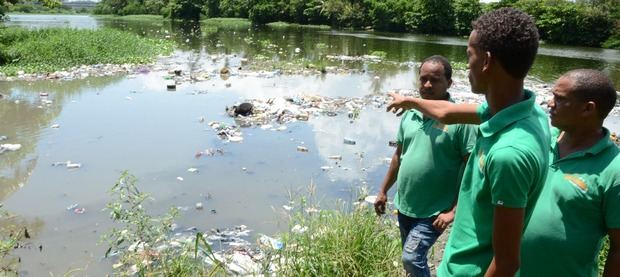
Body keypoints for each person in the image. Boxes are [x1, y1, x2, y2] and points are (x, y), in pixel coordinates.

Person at [387, 7, 550, 276]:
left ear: (486, 61)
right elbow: (447, 113)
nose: (466, 66)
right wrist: (412, 102)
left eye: (468, 56)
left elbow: (507, 263)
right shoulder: (526, 111)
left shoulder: (509, 153)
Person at [374, 55, 477, 277]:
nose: (427, 85)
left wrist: (454, 210)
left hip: (435, 210)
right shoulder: (410, 114)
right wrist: (383, 191)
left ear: (449, 83)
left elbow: (472, 169)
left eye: (435, 80)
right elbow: (398, 156)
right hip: (406, 204)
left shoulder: (459, 119)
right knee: (412, 261)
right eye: (423, 79)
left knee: (411, 258)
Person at [518, 69, 620, 276]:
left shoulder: (614, 169)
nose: (549, 103)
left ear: (588, 109)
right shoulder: (540, 140)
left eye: (559, 98)